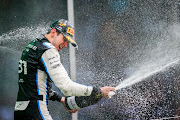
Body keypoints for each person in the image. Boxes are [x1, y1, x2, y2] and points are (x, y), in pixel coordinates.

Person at [14, 19, 115, 120]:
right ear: (53, 32)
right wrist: (98, 91)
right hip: (36, 111)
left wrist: (61, 99)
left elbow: (35, 86)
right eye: (65, 39)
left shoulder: (34, 45)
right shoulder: (48, 50)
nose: (66, 45)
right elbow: (67, 88)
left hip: (20, 110)